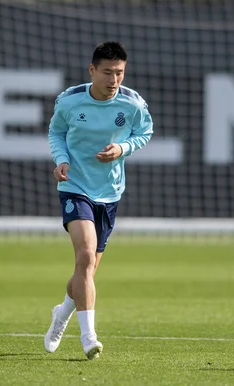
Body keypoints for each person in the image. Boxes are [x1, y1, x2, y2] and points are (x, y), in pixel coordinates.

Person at [44, 41, 153, 360]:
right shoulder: (69, 101)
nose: (114, 79)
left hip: (110, 193)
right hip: (74, 186)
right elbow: (56, 133)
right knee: (86, 255)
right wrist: (61, 159)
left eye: (119, 72)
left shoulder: (133, 103)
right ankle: (89, 336)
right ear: (92, 70)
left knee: (86, 271)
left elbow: (145, 133)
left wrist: (123, 149)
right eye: (107, 72)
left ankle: (62, 313)